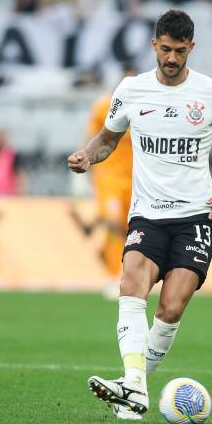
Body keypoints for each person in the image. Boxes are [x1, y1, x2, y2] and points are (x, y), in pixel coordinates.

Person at [67, 9, 212, 420]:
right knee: (131, 282)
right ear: (154, 45)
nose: (172, 58)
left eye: (180, 51)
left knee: (170, 307)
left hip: (196, 217)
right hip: (148, 213)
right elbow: (107, 140)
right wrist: (88, 156)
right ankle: (134, 388)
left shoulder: (211, 93)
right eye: (166, 49)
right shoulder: (131, 91)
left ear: (192, 48)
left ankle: (134, 386)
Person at [86, 63, 136, 300]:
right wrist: (86, 163)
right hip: (109, 178)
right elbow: (91, 139)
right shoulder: (104, 106)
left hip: (136, 179)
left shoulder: (145, 107)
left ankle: (130, 276)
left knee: (132, 229)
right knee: (114, 224)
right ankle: (112, 276)